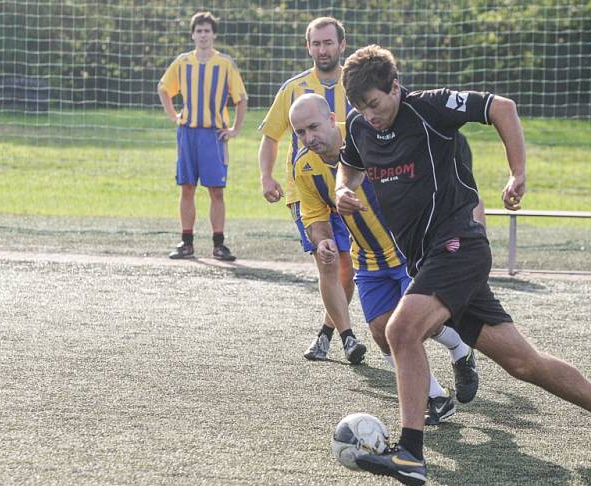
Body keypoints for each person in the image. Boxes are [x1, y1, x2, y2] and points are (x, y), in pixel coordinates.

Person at [335, 45, 591, 486]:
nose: (369, 114)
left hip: (460, 244)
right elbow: (348, 168)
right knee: (523, 363)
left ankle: (410, 451)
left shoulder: (428, 107)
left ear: (395, 86)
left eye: (374, 103)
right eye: (359, 107)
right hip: (430, 258)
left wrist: (516, 172)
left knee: (400, 330)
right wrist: (341, 190)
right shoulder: (358, 125)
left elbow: (501, 106)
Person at [289, 93, 480, 424]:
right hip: (369, 260)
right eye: (300, 133)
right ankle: (437, 397)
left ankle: (459, 349)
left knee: (416, 326)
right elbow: (315, 216)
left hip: (410, 251)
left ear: (331, 118)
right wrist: (322, 242)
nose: (309, 138)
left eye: (313, 127)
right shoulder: (305, 168)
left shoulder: (370, 136)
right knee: (381, 331)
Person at [258, 17, 356, 360]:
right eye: (316, 43)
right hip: (307, 189)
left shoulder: (358, 83)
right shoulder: (293, 88)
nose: (322, 49)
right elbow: (271, 136)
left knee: (350, 268)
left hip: (351, 186)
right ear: (308, 47)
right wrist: (266, 177)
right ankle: (347, 339)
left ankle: (327, 332)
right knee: (328, 261)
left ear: (342, 45)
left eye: (328, 43)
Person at [158, 12, 247, 262]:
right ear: (192, 34)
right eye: (199, 31)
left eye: (207, 30)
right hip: (188, 133)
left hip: (213, 135)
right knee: (187, 188)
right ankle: (186, 243)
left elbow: (241, 99)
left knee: (216, 190)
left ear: (214, 34)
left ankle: (219, 244)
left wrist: (235, 130)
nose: (203, 35)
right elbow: (164, 88)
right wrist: (173, 115)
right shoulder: (183, 62)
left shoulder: (225, 63)